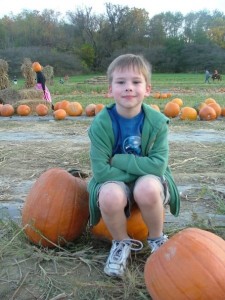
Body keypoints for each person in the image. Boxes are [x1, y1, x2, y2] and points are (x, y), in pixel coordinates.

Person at [88, 54, 180, 277]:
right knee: (109, 195)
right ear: (110, 90)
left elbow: (158, 167)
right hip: (113, 181)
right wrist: (138, 168)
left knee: (146, 187)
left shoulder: (157, 122)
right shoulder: (101, 123)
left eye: (136, 82)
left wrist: (118, 159)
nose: (128, 88)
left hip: (148, 180)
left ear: (147, 89)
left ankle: (157, 238)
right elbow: (100, 171)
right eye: (121, 82)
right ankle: (121, 243)